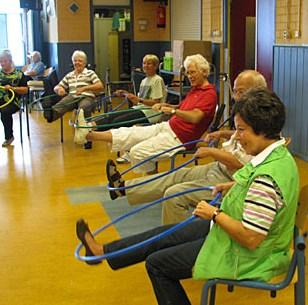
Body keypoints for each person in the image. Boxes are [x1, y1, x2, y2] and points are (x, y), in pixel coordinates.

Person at [76, 87, 299, 305]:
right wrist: (233, 187)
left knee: (157, 264)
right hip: (235, 233)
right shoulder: (280, 156)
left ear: (262, 129)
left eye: (242, 130)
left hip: (246, 254)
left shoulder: (266, 180)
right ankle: (103, 252)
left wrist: (214, 214)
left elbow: (251, 238)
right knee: (163, 236)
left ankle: (105, 253)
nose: (237, 137)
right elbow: (262, 197)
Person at [106, 70, 267, 224]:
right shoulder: (243, 114)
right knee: (177, 175)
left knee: (174, 194)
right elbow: (240, 137)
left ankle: (172, 245)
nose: (235, 97)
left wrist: (212, 151)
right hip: (218, 165)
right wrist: (222, 134)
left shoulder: (261, 121)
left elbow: (241, 163)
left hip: (230, 178)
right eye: (235, 92)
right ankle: (123, 188)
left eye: (241, 92)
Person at [74, 54, 217, 173]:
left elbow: (195, 117)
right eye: (188, 72)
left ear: (204, 71)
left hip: (180, 138)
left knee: (137, 152)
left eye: (193, 72)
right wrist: (166, 106)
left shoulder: (209, 94)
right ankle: (87, 135)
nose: (189, 76)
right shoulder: (195, 89)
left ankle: (153, 185)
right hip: (169, 127)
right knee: (132, 132)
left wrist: (173, 111)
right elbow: (181, 108)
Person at [91, 54, 167, 164]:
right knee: (112, 116)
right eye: (144, 63)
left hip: (151, 113)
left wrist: (138, 100)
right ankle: (89, 126)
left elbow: (156, 102)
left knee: (118, 121)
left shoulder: (157, 80)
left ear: (155, 66)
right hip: (140, 108)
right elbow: (138, 100)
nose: (146, 65)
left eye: (149, 63)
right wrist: (126, 94)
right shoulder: (144, 81)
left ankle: (129, 152)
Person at [42, 50, 104, 149]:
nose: (77, 63)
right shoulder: (69, 75)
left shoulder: (90, 73)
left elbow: (100, 86)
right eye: (75, 61)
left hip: (86, 96)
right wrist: (60, 89)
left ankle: (87, 137)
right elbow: (56, 87)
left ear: (84, 63)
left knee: (83, 108)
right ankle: (50, 115)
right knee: (64, 102)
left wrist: (84, 88)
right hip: (73, 96)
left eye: (80, 61)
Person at [0, 49, 29, 147]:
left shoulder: (19, 74)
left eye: (4, 61)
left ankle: (9, 137)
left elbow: (25, 90)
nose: (2, 63)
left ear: (10, 61)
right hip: (0, 100)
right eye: (1, 61)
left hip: (13, 102)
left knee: (4, 111)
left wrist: (12, 88)